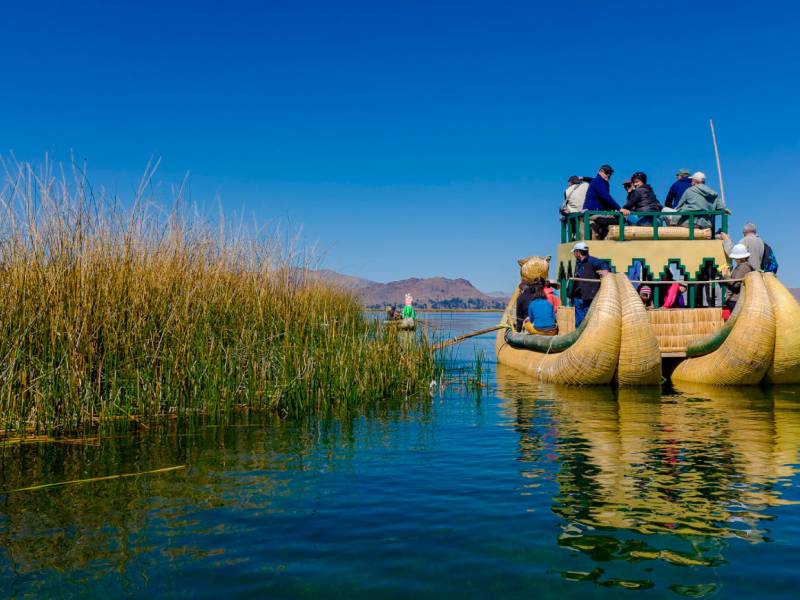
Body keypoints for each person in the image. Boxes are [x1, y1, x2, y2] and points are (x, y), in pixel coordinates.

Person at [568, 241, 610, 327]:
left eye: (574, 252)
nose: (574, 254)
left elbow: (604, 265)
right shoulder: (578, 263)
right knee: (579, 323)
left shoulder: (592, 261)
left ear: (578, 252)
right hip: (578, 296)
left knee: (588, 321)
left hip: (589, 297)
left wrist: (605, 270)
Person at [583, 165, 621, 239]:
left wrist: (613, 209)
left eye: (610, 174)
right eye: (606, 173)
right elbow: (605, 196)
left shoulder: (603, 182)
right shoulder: (598, 181)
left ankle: (606, 237)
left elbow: (605, 200)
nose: (608, 175)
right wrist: (619, 208)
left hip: (599, 211)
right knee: (620, 219)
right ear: (600, 172)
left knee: (617, 217)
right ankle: (609, 239)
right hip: (592, 212)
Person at [722, 244, 754, 318]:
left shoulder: (743, 267)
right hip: (736, 300)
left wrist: (725, 276)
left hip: (735, 300)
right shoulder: (745, 266)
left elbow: (736, 284)